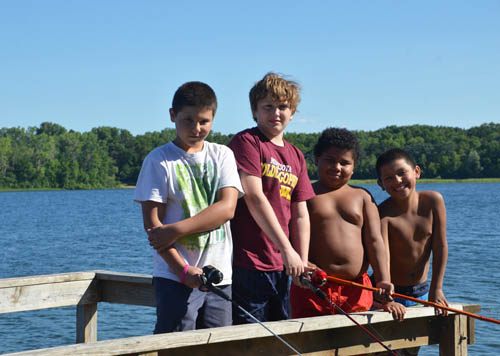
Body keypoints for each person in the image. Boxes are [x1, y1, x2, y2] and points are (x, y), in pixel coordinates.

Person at [134, 81, 243, 333]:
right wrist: (183, 272)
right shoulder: (158, 161)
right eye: (188, 120)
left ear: (213, 118)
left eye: (204, 121)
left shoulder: (223, 155)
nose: (196, 128)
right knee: (175, 346)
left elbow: (227, 209)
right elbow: (153, 228)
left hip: (220, 278)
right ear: (173, 116)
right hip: (174, 278)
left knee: (219, 348)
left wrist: (175, 230)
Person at [228, 72, 315, 324]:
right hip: (250, 262)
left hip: (284, 265)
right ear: (255, 111)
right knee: (252, 341)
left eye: (283, 107)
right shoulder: (247, 142)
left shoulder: (296, 155)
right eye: (267, 107)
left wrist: (302, 257)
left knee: (281, 337)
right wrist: (287, 249)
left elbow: (300, 213)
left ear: (293, 112)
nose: (275, 113)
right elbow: (254, 197)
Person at [290, 128, 394, 318]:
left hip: (357, 290)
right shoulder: (304, 195)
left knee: (356, 345)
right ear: (316, 159)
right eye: (330, 160)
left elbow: (375, 241)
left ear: (353, 167)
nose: (336, 167)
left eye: (344, 162)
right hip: (313, 288)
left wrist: (383, 279)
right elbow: (291, 235)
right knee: (310, 343)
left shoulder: (362, 196)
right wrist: (302, 262)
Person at [376, 148, 449, 316]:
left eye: (402, 173)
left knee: (417, 341)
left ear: (416, 172)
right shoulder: (383, 214)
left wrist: (436, 289)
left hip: (422, 291)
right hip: (391, 292)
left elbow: (440, 246)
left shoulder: (433, 201)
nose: (397, 181)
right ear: (381, 184)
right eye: (388, 178)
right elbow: (382, 257)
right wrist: (388, 299)